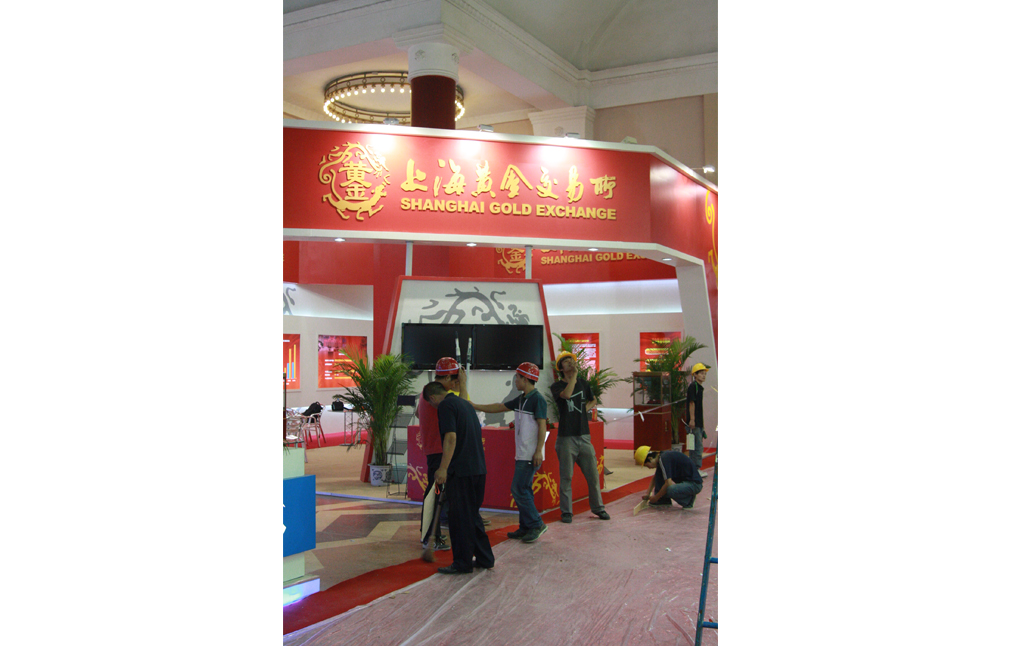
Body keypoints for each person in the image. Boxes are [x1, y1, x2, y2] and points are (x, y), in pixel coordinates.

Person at [423, 380, 496, 574]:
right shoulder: (464, 404)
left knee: (459, 519)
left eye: (430, 404)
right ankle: (485, 558)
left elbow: (451, 437)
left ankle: (462, 563)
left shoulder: (445, 406)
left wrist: (443, 468)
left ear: (432, 398)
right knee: (471, 515)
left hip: (462, 471)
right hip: (478, 469)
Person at [471, 362, 548, 544]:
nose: (515, 381)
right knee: (524, 489)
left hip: (529, 454)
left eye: (518, 377)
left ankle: (536, 524)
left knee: (518, 489)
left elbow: (542, 425)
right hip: (522, 453)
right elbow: (499, 407)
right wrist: (475, 406)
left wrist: (538, 450)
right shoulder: (521, 399)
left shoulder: (538, 399)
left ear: (526, 379)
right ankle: (525, 527)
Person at [549, 350, 609, 523]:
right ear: (561, 368)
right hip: (566, 438)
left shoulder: (584, 383)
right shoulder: (557, 386)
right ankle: (567, 512)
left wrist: (584, 409)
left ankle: (598, 508)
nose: (570, 362)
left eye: (571, 359)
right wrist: (574, 376)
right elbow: (567, 395)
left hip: (584, 436)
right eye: (566, 361)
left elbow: (593, 399)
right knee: (566, 477)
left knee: (593, 475)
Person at [415, 357, 468, 552]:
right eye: (454, 379)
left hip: (434, 450)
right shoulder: (439, 396)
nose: (455, 384)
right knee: (435, 493)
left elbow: (418, 414)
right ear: (446, 377)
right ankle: (429, 536)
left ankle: (432, 533)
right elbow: (464, 408)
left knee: (437, 493)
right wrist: (464, 385)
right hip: (439, 452)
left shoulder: (427, 392)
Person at [635, 445, 704, 509]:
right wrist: (648, 493)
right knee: (660, 473)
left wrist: (656, 498)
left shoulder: (663, 459)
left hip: (694, 484)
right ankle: (663, 500)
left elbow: (668, 483)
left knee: (670, 490)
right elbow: (655, 478)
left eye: (647, 465)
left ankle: (688, 501)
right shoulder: (662, 457)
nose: (649, 468)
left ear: (650, 458)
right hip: (689, 482)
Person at [686, 362, 710, 477]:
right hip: (694, 423)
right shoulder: (693, 387)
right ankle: (695, 469)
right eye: (701, 373)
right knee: (696, 447)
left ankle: (694, 469)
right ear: (695, 375)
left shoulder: (699, 387)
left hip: (698, 423)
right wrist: (692, 420)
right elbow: (692, 403)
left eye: (704, 373)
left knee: (696, 446)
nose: (703, 376)